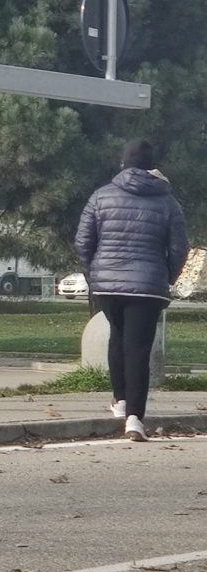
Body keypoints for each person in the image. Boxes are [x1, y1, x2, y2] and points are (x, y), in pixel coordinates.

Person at [75, 137, 188, 442]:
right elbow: (179, 247)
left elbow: (84, 242)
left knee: (117, 336)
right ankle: (135, 419)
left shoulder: (101, 196)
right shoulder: (167, 201)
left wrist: (95, 272)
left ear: (122, 163)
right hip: (148, 285)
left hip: (108, 286)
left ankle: (120, 400)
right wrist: (167, 277)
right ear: (152, 167)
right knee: (137, 348)